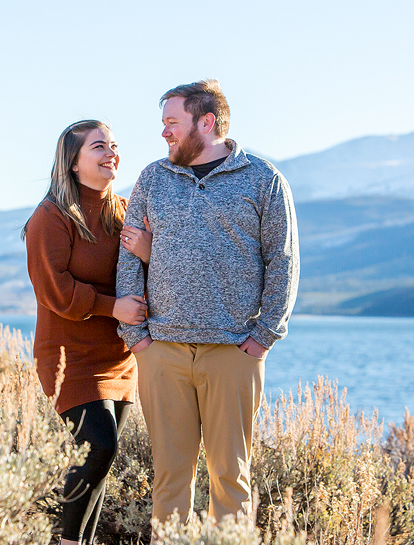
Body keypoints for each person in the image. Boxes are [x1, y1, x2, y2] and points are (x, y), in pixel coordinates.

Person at [116, 80, 300, 525]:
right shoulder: (153, 178)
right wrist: (137, 338)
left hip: (233, 353)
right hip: (164, 353)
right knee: (169, 479)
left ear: (207, 122)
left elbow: (283, 260)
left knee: (230, 478)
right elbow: (128, 256)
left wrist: (263, 337)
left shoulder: (263, 179)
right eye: (163, 124)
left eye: (172, 123)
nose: (164, 133)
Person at [24, 119, 153, 545]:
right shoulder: (51, 217)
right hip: (69, 358)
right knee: (101, 446)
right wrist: (112, 306)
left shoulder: (125, 210)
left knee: (102, 460)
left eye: (114, 145)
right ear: (73, 163)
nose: (111, 152)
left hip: (118, 357)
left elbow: (154, 271)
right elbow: (54, 291)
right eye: (99, 147)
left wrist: (149, 252)